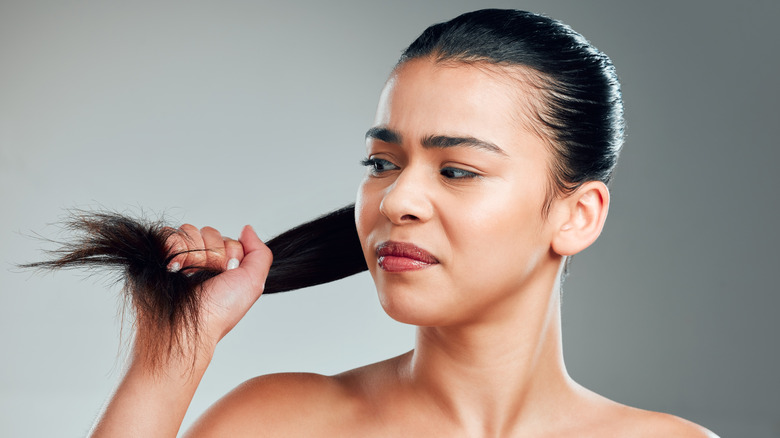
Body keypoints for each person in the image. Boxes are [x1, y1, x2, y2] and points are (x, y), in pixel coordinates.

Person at [84, 9, 716, 437]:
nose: (395, 201)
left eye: (458, 170)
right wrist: (171, 353)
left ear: (578, 216)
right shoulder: (281, 422)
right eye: (382, 162)